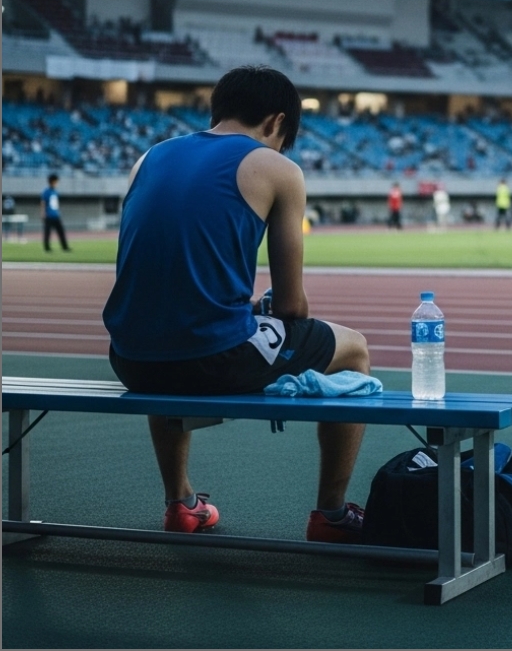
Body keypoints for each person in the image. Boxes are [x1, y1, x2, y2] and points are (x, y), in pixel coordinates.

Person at [102, 66, 370, 542]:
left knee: (168, 332)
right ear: (275, 122)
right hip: (211, 359)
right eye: (282, 139)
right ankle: (330, 515)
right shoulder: (279, 169)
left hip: (129, 359)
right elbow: (291, 305)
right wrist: (267, 309)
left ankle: (181, 504)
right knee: (355, 349)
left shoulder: (149, 158)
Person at [41, 174, 70, 251]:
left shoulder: (55, 191)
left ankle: (65, 247)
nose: (57, 183)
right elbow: (43, 203)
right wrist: (43, 213)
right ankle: (47, 247)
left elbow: (56, 203)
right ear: (52, 181)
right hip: (49, 215)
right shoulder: (46, 192)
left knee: (61, 231)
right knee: (47, 232)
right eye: (56, 182)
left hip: (56, 214)